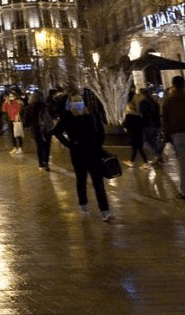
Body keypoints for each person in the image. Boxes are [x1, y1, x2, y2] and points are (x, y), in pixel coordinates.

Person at [52, 93, 113, 221]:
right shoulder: (68, 116)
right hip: (79, 152)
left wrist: (98, 142)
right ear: (71, 104)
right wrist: (70, 144)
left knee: (98, 182)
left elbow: (101, 130)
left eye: (79, 100)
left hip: (93, 151)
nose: (78, 103)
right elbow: (57, 131)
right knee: (82, 179)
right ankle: (83, 203)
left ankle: (104, 209)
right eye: (75, 101)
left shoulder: (91, 114)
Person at [23, 90, 54, 170]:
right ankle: (46, 162)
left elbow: (26, 120)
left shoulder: (29, 108)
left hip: (36, 129)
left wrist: (26, 126)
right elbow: (52, 116)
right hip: (46, 128)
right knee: (47, 145)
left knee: (39, 146)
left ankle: (41, 163)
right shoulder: (45, 107)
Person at [122, 88, 146, 166]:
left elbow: (125, 124)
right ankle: (134, 161)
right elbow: (142, 124)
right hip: (139, 133)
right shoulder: (138, 115)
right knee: (138, 148)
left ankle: (142, 162)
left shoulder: (128, 115)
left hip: (132, 134)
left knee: (136, 148)